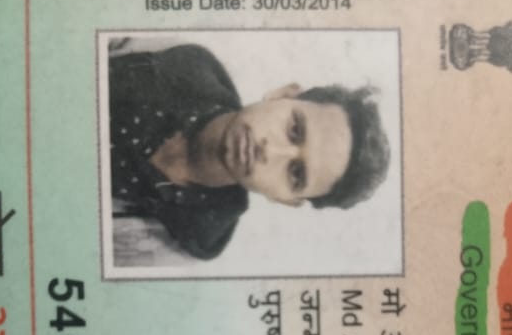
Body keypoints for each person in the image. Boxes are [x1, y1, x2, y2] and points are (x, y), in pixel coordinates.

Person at [109, 43, 391, 261]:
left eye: (295, 173)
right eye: (294, 129)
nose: (271, 152)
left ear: (284, 199)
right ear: (282, 95)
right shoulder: (179, 62)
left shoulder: (191, 243)